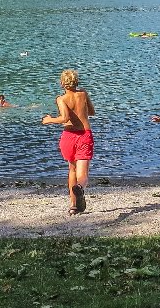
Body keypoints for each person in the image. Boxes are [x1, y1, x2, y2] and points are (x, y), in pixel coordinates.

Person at [41, 70, 95, 215]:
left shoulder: (61, 99)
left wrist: (49, 119)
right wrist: (81, 110)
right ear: (76, 82)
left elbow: (64, 118)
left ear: (61, 83)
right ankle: (80, 188)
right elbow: (92, 112)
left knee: (72, 169)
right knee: (82, 174)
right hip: (84, 135)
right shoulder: (83, 94)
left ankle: (73, 205)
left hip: (68, 136)